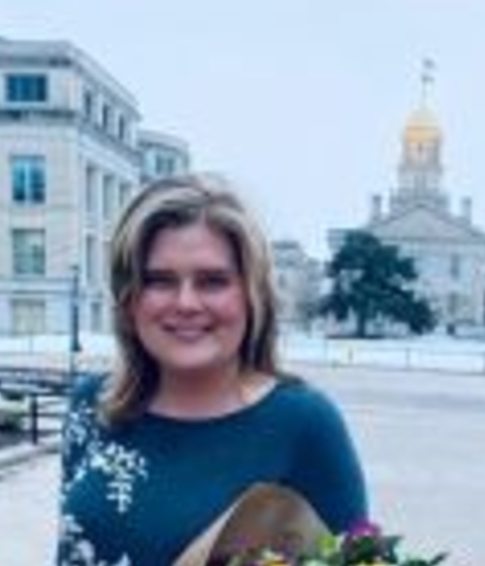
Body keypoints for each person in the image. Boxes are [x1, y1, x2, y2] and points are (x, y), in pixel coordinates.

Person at [56, 174, 367, 565]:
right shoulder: (92, 406)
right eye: (159, 280)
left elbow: (356, 558)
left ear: (251, 295)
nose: (186, 302)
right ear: (130, 297)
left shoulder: (305, 424)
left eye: (212, 281)